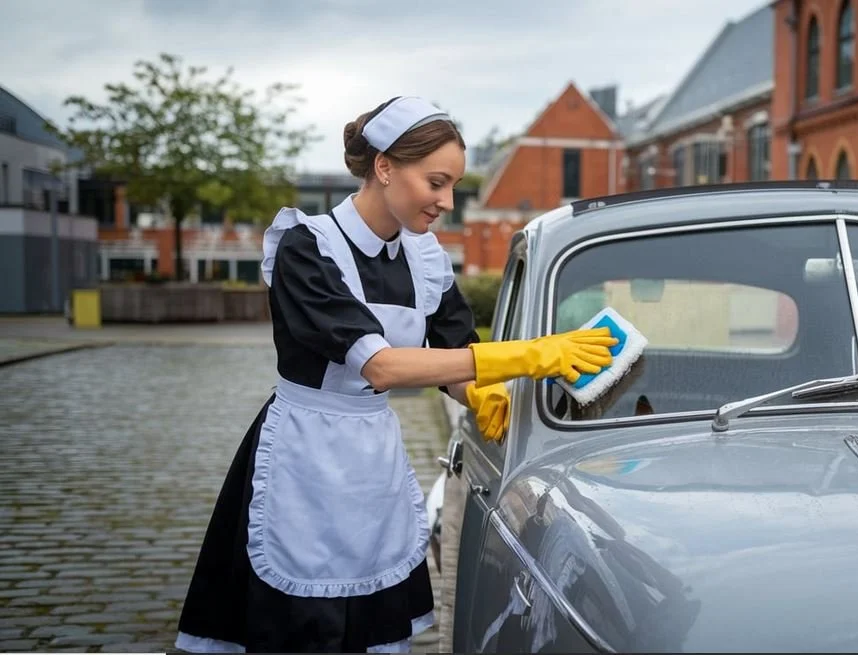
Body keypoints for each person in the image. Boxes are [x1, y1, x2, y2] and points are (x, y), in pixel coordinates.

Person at [174, 96, 617, 653]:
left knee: (370, 620)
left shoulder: (424, 259)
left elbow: (454, 355)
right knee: (301, 621)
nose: (447, 202)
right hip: (303, 453)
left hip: (373, 456)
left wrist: (487, 393)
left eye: (453, 186)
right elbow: (380, 364)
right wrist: (528, 354)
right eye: (436, 182)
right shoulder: (306, 246)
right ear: (384, 167)